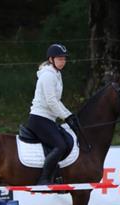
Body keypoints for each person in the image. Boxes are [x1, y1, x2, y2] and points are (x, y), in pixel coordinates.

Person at [27, 43, 80, 185]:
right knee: (60, 145)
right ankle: (44, 179)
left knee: (66, 141)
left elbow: (57, 101)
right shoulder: (48, 76)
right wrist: (66, 117)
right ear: (51, 59)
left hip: (48, 119)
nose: (63, 62)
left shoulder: (56, 74)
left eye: (64, 59)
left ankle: (57, 175)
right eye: (59, 59)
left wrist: (70, 114)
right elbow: (51, 101)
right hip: (39, 119)